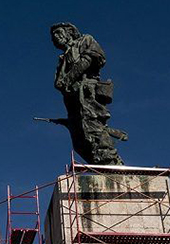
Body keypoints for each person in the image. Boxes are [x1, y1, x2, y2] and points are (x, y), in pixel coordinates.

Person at [51, 23, 126, 165]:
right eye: (54, 36)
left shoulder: (85, 40)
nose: (56, 37)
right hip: (72, 98)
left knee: (92, 127)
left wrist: (68, 78)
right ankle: (98, 163)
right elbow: (58, 83)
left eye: (59, 33)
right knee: (78, 137)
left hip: (86, 92)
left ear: (69, 33)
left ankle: (110, 161)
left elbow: (92, 58)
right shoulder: (63, 58)